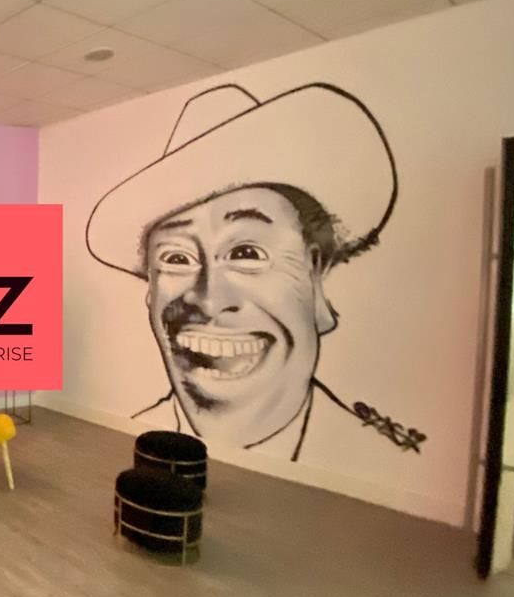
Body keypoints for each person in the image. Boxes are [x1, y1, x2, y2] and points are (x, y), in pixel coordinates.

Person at [86, 83, 423, 464]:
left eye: (246, 253)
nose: (209, 299)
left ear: (314, 274)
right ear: (151, 292)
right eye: (177, 258)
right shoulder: (137, 431)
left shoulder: (376, 456)